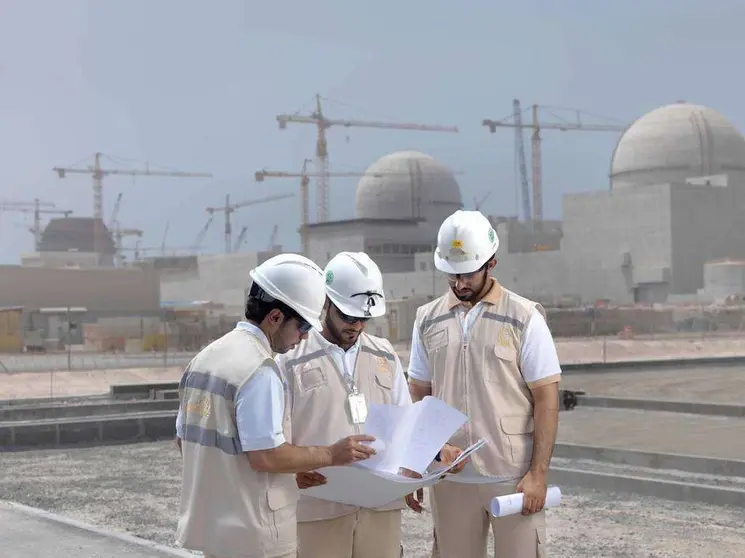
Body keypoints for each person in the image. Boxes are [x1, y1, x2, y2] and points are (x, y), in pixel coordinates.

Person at [174, 253, 377, 558]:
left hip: (216, 531)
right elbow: (266, 455)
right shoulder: (260, 370)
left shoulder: (205, 359)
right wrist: (331, 454)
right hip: (257, 536)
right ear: (275, 317)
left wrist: (287, 471)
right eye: (302, 327)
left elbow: (186, 441)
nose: (304, 337)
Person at [407, 210, 561, 558]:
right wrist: (419, 457)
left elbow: (546, 399)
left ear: (492, 262)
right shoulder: (427, 319)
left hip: (511, 478)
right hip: (451, 477)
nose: (459, 284)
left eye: (467, 274)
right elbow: (418, 392)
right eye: (451, 275)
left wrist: (538, 474)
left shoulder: (524, 318)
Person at [275, 252, 414, 558]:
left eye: (364, 318)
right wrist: (291, 474)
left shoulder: (385, 355)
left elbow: (406, 423)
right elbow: (275, 441)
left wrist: (414, 470)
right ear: (326, 302)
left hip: (380, 509)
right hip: (318, 509)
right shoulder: (289, 360)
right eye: (348, 317)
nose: (357, 326)